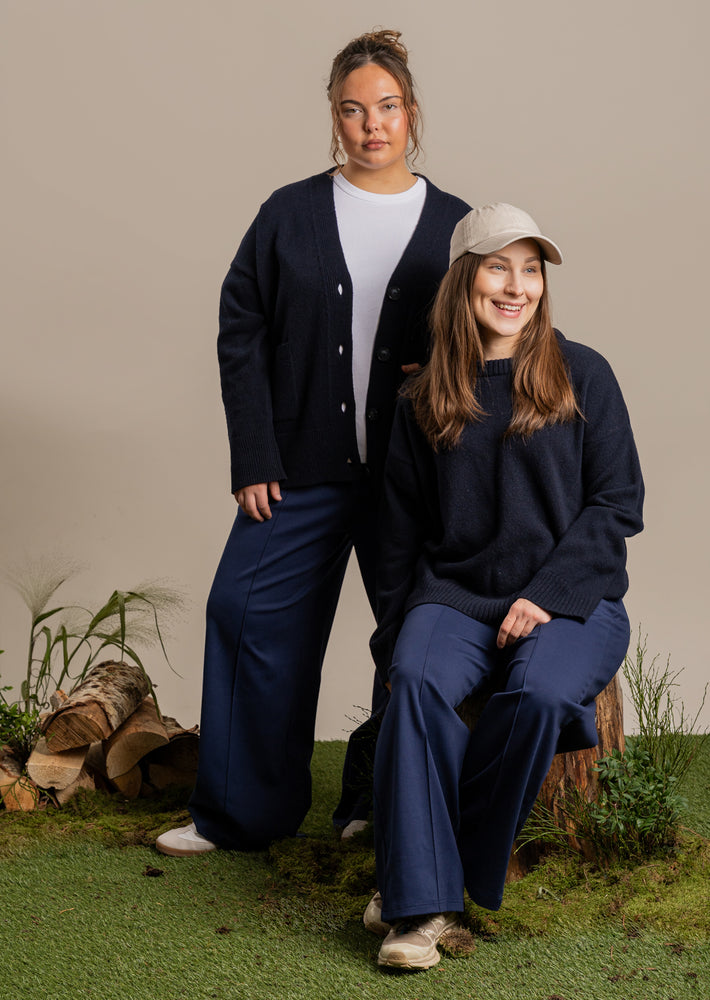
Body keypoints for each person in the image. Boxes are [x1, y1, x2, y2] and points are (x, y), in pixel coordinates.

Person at [155, 30, 469, 856]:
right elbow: (242, 331)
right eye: (353, 109)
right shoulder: (287, 214)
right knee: (245, 611)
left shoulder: (455, 225)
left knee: (412, 633)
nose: (372, 125)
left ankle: (374, 801)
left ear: (412, 113)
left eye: (387, 107)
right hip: (299, 464)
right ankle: (241, 815)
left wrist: (439, 366)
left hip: (414, 474)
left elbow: (493, 332)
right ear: (334, 118)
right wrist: (255, 455)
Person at [364, 203, 645, 969]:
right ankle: (422, 915)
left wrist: (546, 593)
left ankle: (423, 870)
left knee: (543, 696)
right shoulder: (423, 399)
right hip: (456, 593)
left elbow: (617, 503)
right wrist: (391, 642)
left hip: (575, 598)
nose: (517, 286)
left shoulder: (584, 373)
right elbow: (396, 538)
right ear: (464, 281)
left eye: (531, 270)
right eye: (498, 268)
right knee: (416, 682)